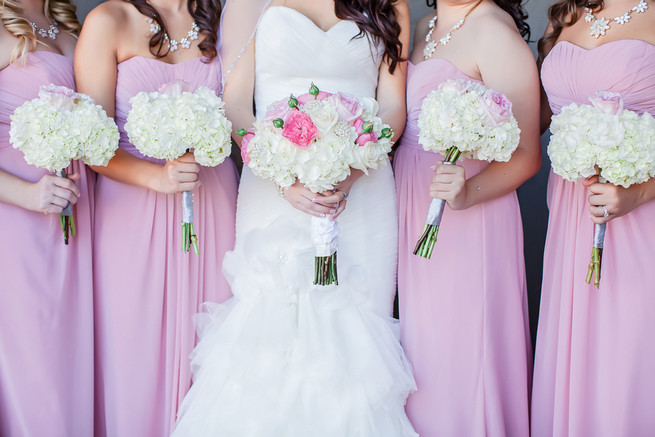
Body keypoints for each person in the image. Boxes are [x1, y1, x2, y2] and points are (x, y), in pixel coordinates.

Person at [172, 0, 417, 435]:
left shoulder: (389, 4)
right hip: (272, 182)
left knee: (357, 335)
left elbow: (392, 108)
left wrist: (353, 170)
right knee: (274, 331)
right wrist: (285, 178)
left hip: (365, 186)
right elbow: (235, 105)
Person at [74, 0, 238, 433]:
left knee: (214, 345)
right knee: (134, 348)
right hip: (132, 211)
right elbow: (91, 142)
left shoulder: (221, 14)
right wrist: (157, 178)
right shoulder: (109, 20)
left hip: (212, 203)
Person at [393, 0, 540, 435]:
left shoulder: (494, 31)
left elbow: (528, 154)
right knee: (423, 353)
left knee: (460, 351)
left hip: (469, 217)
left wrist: (466, 194)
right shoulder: (424, 24)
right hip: (414, 206)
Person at [532, 0, 655, 435]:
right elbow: (534, 121)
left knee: (627, 355)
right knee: (578, 353)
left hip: (639, 218)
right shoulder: (566, 13)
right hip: (571, 216)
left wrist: (639, 192)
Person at [0, 0, 94, 435]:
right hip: (20, 223)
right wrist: (29, 195)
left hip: (78, 216)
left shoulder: (67, 27)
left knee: (70, 358)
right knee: (36, 367)